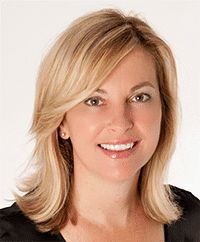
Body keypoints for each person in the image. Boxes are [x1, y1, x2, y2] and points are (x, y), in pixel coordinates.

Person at [0, 8, 200, 242]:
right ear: (61, 120)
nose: (121, 122)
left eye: (139, 97)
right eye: (94, 101)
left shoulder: (191, 220)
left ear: (163, 109)